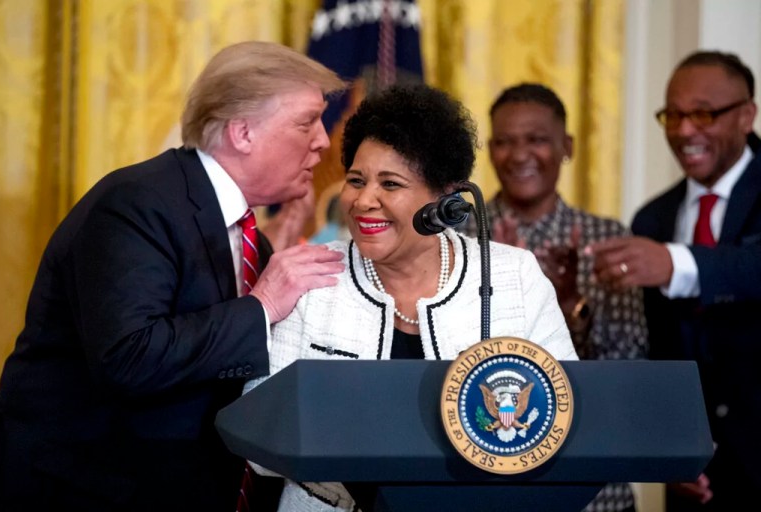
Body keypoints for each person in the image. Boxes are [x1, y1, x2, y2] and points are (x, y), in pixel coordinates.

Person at [0, 41, 347, 512]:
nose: (323, 141)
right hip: (78, 490)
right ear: (243, 132)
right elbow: (128, 357)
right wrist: (262, 306)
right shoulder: (137, 204)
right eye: (307, 122)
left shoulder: (248, 237)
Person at [242, 83, 579, 511]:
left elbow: (560, 419)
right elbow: (258, 434)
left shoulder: (515, 276)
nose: (364, 200)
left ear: (446, 201)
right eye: (356, 180)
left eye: (391, 183)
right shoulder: (308, 275)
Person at [588, 50, 761, 511]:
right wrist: (672, 452)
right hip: (695, 478)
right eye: (673, 115)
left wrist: (675, 263)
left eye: (703, 114)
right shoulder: (652, 218)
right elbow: (659, 353)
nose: (684, 131)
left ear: (747, 115)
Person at [462, 82, 647, 512]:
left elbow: (629, 370)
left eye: (537, 139)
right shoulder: (460, 236)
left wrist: (572, 315)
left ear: (567, 146)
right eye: (504, 142)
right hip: (486, 481)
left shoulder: (607, 238)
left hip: (593, 488)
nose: (519, 155)